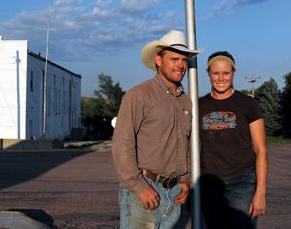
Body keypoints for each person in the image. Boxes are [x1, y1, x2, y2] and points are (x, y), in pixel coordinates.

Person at [112, 30, 202, 228]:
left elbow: (186, 145)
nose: (181, 65)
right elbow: (122, 145)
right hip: (144, 189)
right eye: (174, 59)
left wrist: (185, 180)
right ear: (158, 60)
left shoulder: (186, 101)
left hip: (174, 192)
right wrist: (138, 186)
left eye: (184, 60)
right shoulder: (138, 95)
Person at [199, 51, 268, 229]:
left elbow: (261, 150)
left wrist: (260, 193)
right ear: (208, 73)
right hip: (210, 185)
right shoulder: (199, 106)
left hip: (243, 183)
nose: (221, 78)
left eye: (226, 73)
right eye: (215, 73)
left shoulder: (248, 104)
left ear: (233, 73)